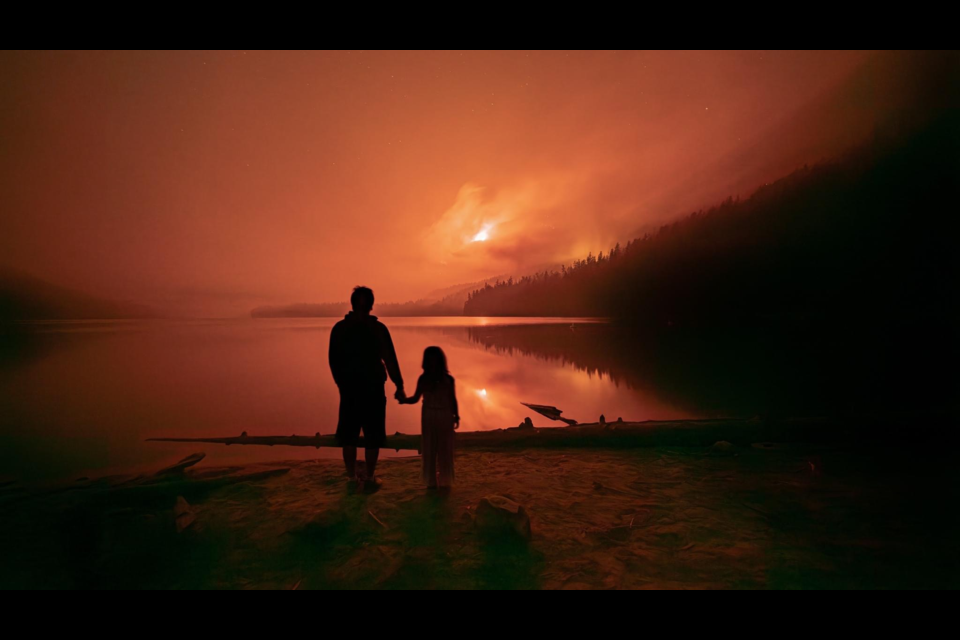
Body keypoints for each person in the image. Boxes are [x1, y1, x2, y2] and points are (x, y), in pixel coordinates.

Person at [328, 286, 404, 487]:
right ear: (371, 305)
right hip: (371, 389)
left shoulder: (340, 329)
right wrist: (399, 384)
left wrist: (341, 383)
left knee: (350, 436)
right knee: (372, 435)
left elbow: (333, 361)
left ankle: (352, 478)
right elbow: (389, 359)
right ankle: (369, 476)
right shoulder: (377, 329)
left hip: (351, 389)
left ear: (352, 304)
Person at [399, 346, 459, 489]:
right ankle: (436, 481)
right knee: (433, 448)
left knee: (440, 449)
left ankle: (440, 481)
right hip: (433, 414)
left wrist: (456, 416)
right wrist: (404, 400)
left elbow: (452, 398)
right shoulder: (430, 379)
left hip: (440, 414)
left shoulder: (444, 379)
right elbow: (415, 398)